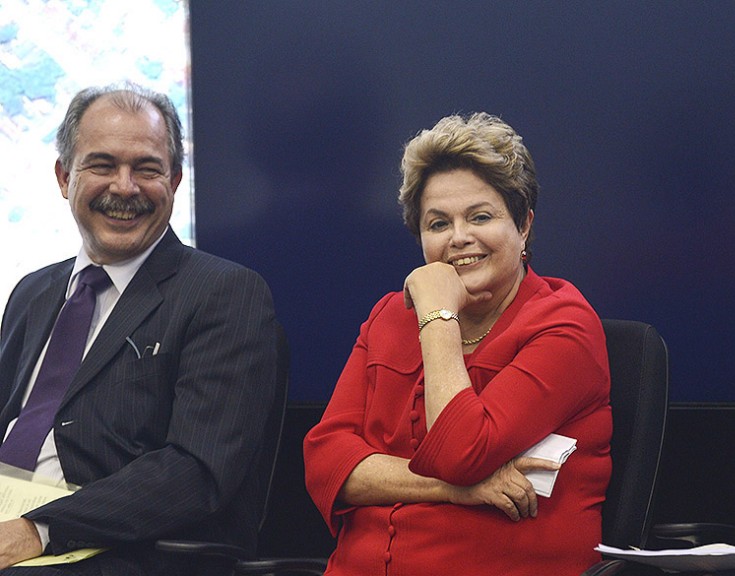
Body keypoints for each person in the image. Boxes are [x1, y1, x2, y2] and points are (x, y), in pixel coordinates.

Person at [304, 112, 612, 575]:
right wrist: (450, 490)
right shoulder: (389, 316)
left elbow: (461, 452)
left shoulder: (564, 325)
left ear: (523, 225)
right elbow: (325, 462)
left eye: (480, 216)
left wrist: (439, 316)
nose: (459, 238)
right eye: (438, 224)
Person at [0, 83, 280, 574]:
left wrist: (38, 530)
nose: (124, 187)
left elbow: (195, 471)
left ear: (174, 180)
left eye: (147, 168)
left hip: (116, 553)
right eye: (102, 165)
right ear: (65, 177)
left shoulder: (225, 293)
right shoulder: (31, 292)